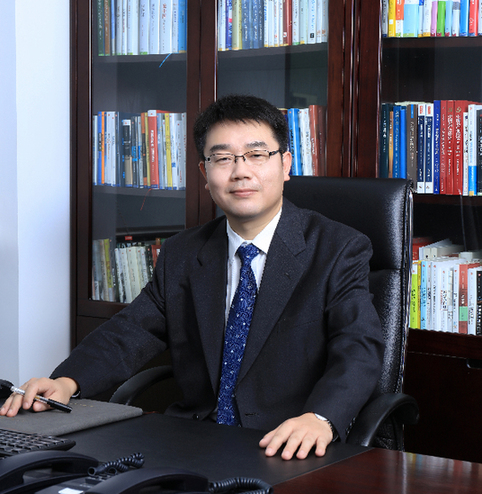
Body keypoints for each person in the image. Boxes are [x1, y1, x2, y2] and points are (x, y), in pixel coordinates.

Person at [0, 94, 384, 460]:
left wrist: (320, 418)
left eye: (256, 155)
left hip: (286, 442)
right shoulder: (183, 253)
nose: (241, 172)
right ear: (204, 172)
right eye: (223, 158)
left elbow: (359, 348)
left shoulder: (338, 248)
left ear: (285, 165)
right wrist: (67, 382)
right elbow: (130, 332)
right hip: (196, 438)